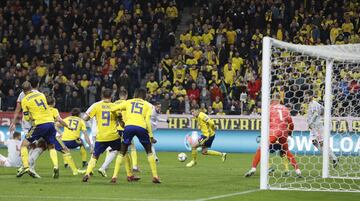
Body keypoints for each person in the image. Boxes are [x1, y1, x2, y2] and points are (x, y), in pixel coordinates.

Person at [16, 81, 75, 179]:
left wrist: (31, 116)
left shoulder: (25, 99)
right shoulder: (41, 95)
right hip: (51, 123)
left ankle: (26, 166)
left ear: (23, 91)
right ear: (31, 87)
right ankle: (55, 166)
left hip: (39, 124)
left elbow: (26, 118)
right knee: (51, 146)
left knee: (24, 145)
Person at [82, 89, 138, 182]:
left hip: (101, 137)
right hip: (113, 136)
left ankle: (87, 173)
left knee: (95, 156)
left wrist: (90, 115)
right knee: (124, 152)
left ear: (101, 96)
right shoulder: (114, 106)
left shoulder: (96, 106)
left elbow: (86, 118)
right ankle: (129, 175)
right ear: (111, 97)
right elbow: (122, 123)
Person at [110, 88, 161, 183]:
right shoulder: (148, 105)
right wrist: (150, 135)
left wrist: (119, 118)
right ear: (144, 96)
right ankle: (155, 176)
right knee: (149, 151)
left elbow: (113, 109)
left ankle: (114, 176)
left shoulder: (128, 102)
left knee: (122, 151)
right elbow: (147, 121)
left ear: (135, 94)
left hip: (128, 127)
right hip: (141, 127)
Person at [244, 94, 302, 178]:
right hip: (283, 132)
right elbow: (291, 124)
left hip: (273, 132)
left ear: (273, 100)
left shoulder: (269, 108)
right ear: (279, 100)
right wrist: (289, 133)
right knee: (286, 151)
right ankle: (298, 171)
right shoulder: (285, 108)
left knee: (261, 148)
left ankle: (253, 168)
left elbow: (265, 122)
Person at [97, 90, 136, 177]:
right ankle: (130, 172)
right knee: (123, 151)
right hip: (124, 128)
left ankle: (103, 167)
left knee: (115, 150)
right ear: (126, 96)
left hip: (114, 128)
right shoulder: (127, 103)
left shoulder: (113, 103)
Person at [307, 96, 339, 167]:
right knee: (314, 142)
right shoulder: (314, 104)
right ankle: (331, 157)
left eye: (306, 95)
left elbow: (315, 114)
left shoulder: (314, 104)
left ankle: (334, 158)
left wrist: (310, 122)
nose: (305, 97)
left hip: (317, 126)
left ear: (310, 95)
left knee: (322, 144)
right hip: (313, 127)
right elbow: (323, 110)